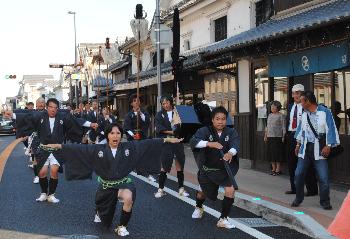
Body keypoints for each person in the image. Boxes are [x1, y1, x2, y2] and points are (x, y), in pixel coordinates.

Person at [41, 123, 182, 237]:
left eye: (118, 133)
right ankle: (99, 210)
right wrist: (58, 146)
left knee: (128, 197)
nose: (115, 136)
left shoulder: (129, 147)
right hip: (106, 185)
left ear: (121, 135)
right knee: (104, 218)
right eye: (112, 133)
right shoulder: (99, 149)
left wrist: (169, 139)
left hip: (122, 182)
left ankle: (122, 227)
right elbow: (79, 149)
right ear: (107, 135)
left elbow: (147, 144)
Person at [4, 98, 98, 203]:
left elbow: (75, 121)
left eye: (55, 108)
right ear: (47, 107)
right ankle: (44, 193)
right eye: (51, 107)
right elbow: (27, 118)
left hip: (56, 149)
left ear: (57, 109)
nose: (53, 110)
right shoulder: (40, 116)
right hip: (43, 148)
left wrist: (90, 124)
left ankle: (51, 195)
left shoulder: (62, 116)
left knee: (54, 171)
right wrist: (12, 115)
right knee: (42, 172)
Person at [190, 106, 239, 229]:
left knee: (230, 190)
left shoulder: (231, 132)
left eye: (223, 119)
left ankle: (223, 218)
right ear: (212, 119)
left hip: (224, 169)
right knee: (202, 193)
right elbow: (193, 142)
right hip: (208, 169)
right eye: (218, 119)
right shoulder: (204, 131)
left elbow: (235, 144)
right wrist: (210, 144)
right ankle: (199, 206)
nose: (220, 121)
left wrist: (230, 153)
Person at [291, 91, 340, 210]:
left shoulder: (324, 112)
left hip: (319, 149)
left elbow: (331, 128)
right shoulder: (304, 113)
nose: (300, 103)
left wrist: (328, 145)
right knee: (298, 174)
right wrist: (298, 145)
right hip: (305, 148)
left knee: (323, 178)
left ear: (308, 101)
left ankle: (325, 201)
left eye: (302, 101)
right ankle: (298, 198)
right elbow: (300, 130)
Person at [285, 84, 318, 196]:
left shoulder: (307, 107)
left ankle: (312, 190)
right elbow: (288, 122)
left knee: (306, 164)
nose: (296, 95)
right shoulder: (290, 106)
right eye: (294, 93)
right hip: (291, 136)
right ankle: (294, 188)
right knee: (292, 164)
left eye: (298, 93)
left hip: (304, 137)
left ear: (303, 94)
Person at [154, 96, 189, 198]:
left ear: (171, 102)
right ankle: (160, 189)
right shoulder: (160, 114)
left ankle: (181, 189)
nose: (165, 105)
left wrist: (181, 131)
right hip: (166, 142)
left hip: (177, 142)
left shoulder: (177, 112)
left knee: (179, 166)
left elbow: (183, 126)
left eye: (167, 103)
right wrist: (172, 132)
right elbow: (159, 128)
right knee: (164, 166)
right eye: (163, 104)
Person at [123, 94, 155, 182]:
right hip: (133, 138)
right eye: (134, 101)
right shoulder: (129, 115)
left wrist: (140, 113)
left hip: (143, 136)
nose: (136, 102)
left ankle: (145, 171)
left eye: (138, 100)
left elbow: (147, 121)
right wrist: (132, 134)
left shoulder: (144, 113)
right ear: (131, 104)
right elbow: (126, 127)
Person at [264, 100, 285, 175]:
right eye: (271, 106)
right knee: (271, 153)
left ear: (278, 107)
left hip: (278, 137)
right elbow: (267, 126)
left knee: (277, 153)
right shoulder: (270, 115)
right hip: (270, 136)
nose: (272, 107)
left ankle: (278, 169)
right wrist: (265, 135)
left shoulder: (281, 115)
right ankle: (273, 168)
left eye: (274, 106)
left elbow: (283, 127)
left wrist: (283, 136)